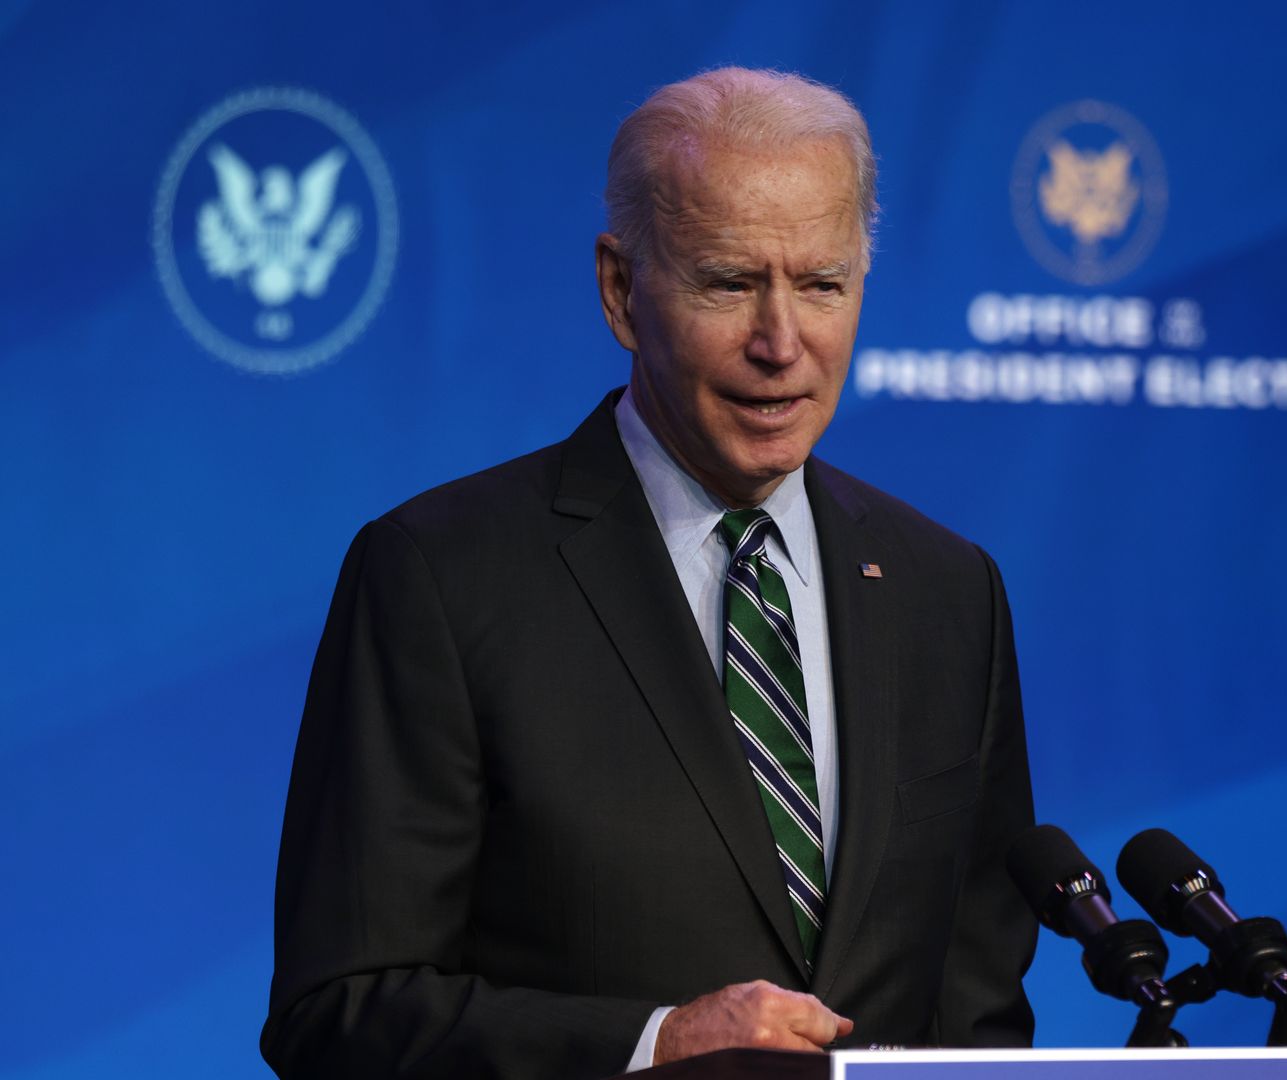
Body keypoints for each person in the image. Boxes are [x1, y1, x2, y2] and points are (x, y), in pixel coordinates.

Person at [261, 68, 1037, 1079]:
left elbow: (978, 1023)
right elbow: (341, 1010)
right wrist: (653, 1047)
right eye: (729, 282)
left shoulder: (949, 592)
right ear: (622, 291)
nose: (782, 342)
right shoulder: (439, 578)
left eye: (821, 284)